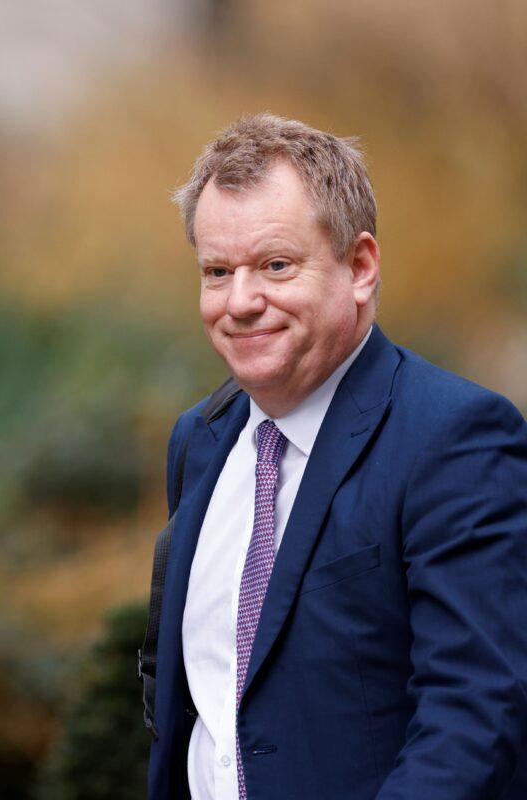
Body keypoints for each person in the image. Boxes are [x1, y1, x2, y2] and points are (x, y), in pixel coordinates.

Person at [147, 113, 527, 800]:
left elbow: (477, 716)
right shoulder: (200, 442)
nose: (240, 301)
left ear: (360, 266)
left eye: (275, 266)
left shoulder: (454, 440)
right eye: (216, 270)